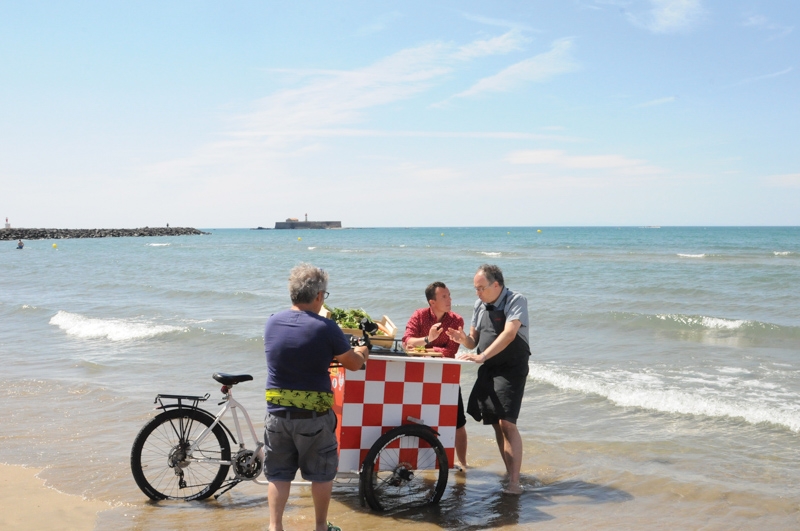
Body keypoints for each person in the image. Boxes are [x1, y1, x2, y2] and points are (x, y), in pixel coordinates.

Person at [264, 263, 369, 531]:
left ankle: (275, 527)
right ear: (319, 296)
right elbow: (353, 364)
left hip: (276, 414)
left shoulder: (272, 322)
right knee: (321, 474)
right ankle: (320, 526)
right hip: (314, 418)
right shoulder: (327, 328)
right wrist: (364, 351)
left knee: (278, 475)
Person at [446, 264, 530, 495]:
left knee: (507, 423)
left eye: (481, 288)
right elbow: (474, 341)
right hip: (489, 366)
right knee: (495, 422)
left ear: (496, 285)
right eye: (475, 289)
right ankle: (510, 473)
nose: (478, 293)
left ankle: (514, 484)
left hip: (511, 368)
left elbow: (509, 333)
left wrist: (482, 355)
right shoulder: (479, 305)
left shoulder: (516, 300)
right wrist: (463, 339)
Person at [402, 281, 468, 470]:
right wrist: (427, 340)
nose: (449, 300)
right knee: (421, 418)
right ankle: (423, 462)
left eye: (449, 295)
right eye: (444, 297)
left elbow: (451, 351)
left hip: (446, 375)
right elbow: (407, 343)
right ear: (432, 302)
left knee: (458, 421)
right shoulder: (419, 315)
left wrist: (425, 350)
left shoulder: (456, 320)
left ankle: (463, 464)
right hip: (418, 375)